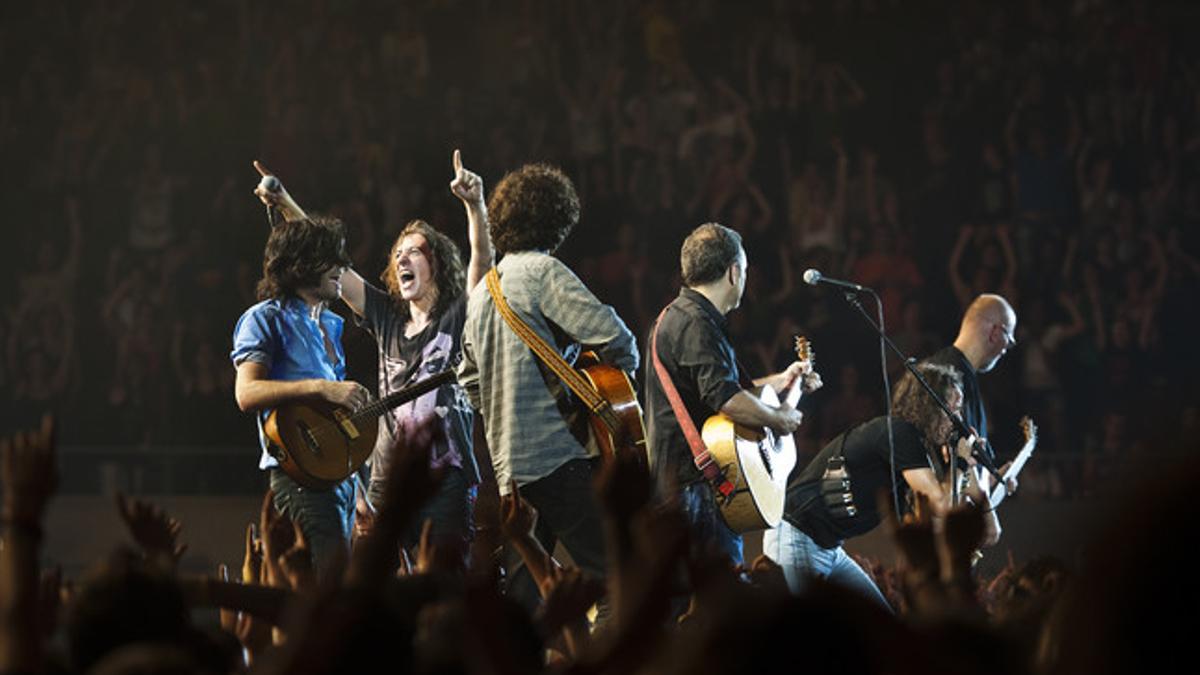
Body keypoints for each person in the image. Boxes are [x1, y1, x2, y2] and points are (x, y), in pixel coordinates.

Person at [254, 151, 492, 565]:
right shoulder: (385, 315)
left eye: (414, 251)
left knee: (441, 584)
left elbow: (483, 265)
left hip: (445, 477)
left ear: (436, 262)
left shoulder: (457, 316)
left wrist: (475, 206)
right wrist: (285, 201)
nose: (402, 258)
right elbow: (331, 262)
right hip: (385, 480)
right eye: (398, 253)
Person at [455, 162, 638, 618]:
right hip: (559, 458)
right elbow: (617, 339)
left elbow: (467, 379)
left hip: (509, 470)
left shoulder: (482, 292)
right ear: (556, 222)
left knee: (525, 604)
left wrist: (505, 407)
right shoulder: (542, 271)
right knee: (621, 579)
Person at [763, 363, 1002, 609]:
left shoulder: (917, 452)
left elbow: (948, 519)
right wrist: (960, 462)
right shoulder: (898, 433)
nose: (957, 420)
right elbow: (940, 504)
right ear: (929, 407)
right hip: (797, 534)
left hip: (828, 547)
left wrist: (969, 464)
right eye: (952, 409)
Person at [644, 222, 813, 567]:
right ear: (734, 272)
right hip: (694, 494)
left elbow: (723, 390)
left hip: (684, 492)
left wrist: (782, 380)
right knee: (717, 607)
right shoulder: (695, 324)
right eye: (746, 269)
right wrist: (779, 420)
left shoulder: (682, 317)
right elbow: (728, 401)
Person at [231, 213, 369, 575]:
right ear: (299, 265)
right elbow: (246, 393)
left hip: (340, 483)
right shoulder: (264, 319)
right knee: (329, 595)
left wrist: (361, 491)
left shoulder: (329, 325)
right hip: (299, 481)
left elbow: (336, 419)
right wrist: (320, 387)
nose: (343, 266)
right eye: (331, 258)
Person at [924, 293, 1018, 475]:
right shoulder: (947, 377)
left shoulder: (954, 372)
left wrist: (990, 481)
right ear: (996, 333)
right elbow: (946, 461)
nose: (1005, 351)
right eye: (1009, 341)